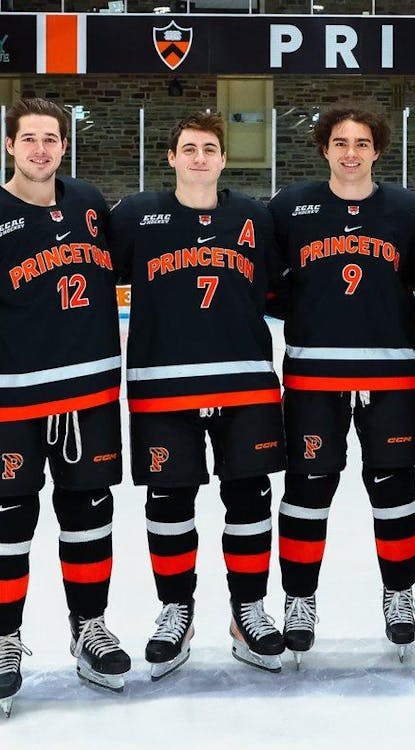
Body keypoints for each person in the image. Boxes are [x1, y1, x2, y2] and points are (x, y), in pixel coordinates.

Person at [108, 112, 286, 678]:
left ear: (224, 158)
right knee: (168, 504)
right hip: (163, 385)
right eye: (189, 148)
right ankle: (175, 609)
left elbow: (282, 287)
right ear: (172, 157)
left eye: (210, 148)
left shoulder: (254, 216)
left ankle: (247, 610)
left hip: (245, 381)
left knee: (249, 499)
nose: (200, 158)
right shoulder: (136, 216)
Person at [267, 107, 415, 663]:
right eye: (340, 142)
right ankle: (298, 598)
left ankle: (400, 593)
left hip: (391, 374)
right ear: (324, 148)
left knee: (394, 490)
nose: (351, 152)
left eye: (362, 142)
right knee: (308, 490)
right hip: (314, 374)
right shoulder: (291, 207)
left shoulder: (407, 210)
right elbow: (272, 285)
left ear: (378, 149)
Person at [0, 98, 130, 714]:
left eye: (51, 139)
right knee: (8, 525)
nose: (41, 150)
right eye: (30, 139)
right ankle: (4, 637)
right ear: (10, 146)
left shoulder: (88, 204)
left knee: (89, 517)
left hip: (90, 395)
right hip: (13, 401)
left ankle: (89, 627)